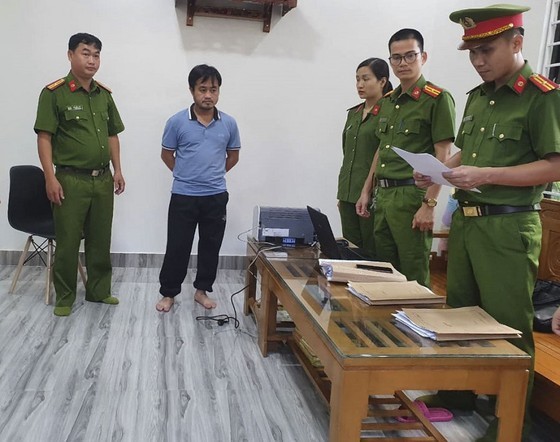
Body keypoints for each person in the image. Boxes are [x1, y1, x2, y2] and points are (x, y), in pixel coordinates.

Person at [415, 5, 560, 441]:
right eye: (472, 53)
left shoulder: (542, 96)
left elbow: (554, 165)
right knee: (460, 315)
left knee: (508, 325)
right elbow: (467, 153)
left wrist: (487, 175)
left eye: (487, 51)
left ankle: (510, 422)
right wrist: (439, 171)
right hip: (469, 223)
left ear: (517, 42)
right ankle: (457, 395)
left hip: (508, 227)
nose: (478, 61)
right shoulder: (479, 97)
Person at [34, 33, 125, 317]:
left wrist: (118, 170)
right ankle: (65, 296)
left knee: (100, 239)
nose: (92, 60)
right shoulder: (54, 93)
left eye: (96, 55)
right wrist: (50, 177)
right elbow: (44, 137)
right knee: (68, 240)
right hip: (70, 180)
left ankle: (99, 290)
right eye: (85, 53)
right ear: (70, 55)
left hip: (103, 179)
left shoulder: (104, 95)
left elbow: (112, 135)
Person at [356, 28, 455, 287]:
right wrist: (366, 190)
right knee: (384, 272)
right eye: (396, 57)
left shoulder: (437, 99)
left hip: (412, 196)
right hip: (383, 195)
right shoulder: (388, 102)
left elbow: (443, 155)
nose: (403, 63)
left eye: (410, 55)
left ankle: (416, 314)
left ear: (423, 57)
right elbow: (382, 149)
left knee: (413, 274)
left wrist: (429, 204)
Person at [156, 64, 240, 313]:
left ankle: (202, 291)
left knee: (210, 246)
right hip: (184, 195)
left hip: (216, 196)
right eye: (202, 89)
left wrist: (212, 176)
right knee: (177, 246)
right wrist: (186, 175)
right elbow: (166, 154)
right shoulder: (176, 122)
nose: (208, 95)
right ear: (192, 90)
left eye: (213, 90)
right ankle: (169, 293)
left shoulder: (229, 123)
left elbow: (233, 157)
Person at [337, 58, 392, 258]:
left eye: (366, 79)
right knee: (349, 250)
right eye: (357, 79)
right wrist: (344, 194)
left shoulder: (389, 112)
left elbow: (382, 152)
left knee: (370, 251)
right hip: (348, 192)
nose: (360, 84)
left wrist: (366, 191)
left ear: (382, 81)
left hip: (372, 193)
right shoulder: (354, 113)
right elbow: (348, 154)